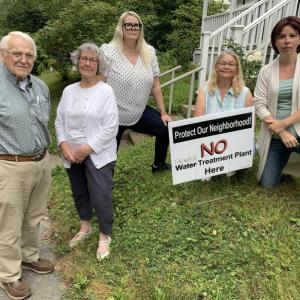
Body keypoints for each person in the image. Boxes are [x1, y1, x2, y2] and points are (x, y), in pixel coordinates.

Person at [0, 31, 54, 300]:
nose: (23, 59)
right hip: (9, 165)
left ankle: (30, 256)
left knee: (34, 217)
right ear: (3, 56)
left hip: (41, 162)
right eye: (17, 53)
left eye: (29, 55)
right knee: (9, 223)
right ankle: (9, 275)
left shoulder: (40, 87)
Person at [55, 43, 119, 260]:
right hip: (71, 153)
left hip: (98, 153)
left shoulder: (106, 91)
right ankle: (85, 227)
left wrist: (86, 149)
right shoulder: (68, 91)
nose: (88, 63)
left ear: (98, 64)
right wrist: (64, 145)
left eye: (93, 60)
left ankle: (104, 234)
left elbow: (111, 127)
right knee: (79, 191)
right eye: (84, 58)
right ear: (77, 61)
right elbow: (59, 122)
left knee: (101, 195)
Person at [99, 11, 172, 173]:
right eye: (129, 25)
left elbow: (155, 85)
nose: (133, 28)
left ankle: (158, 164)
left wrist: (163, 112)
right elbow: (100, 83)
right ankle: (103, 185)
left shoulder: (149, 52)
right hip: (113, 115)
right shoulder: (108, 51)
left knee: (165, 128)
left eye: (137, 25)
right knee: (107, 157)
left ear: (141, 28)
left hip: (139, 111)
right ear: (121, 28)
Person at [254, 16, 300, 188]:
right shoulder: (266, 71)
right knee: (267, 184)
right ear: (275, 41)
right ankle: (280, 168)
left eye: (292, 35)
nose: (287, 41)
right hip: (276, 136)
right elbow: (259, 104)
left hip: (298, 129)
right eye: (281, 36)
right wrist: (281, 131)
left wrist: (284, 124)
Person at [194, 50, 253, 180]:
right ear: (216, 66)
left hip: (234, 142)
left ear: (237, 69)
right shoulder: (204, 90)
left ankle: (231, 165)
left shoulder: (245, 93)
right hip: (209, 141)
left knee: (229, 173)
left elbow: (248, 128)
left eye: (231, 64)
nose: (226, 67)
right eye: (223, 63)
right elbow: (197, 122)